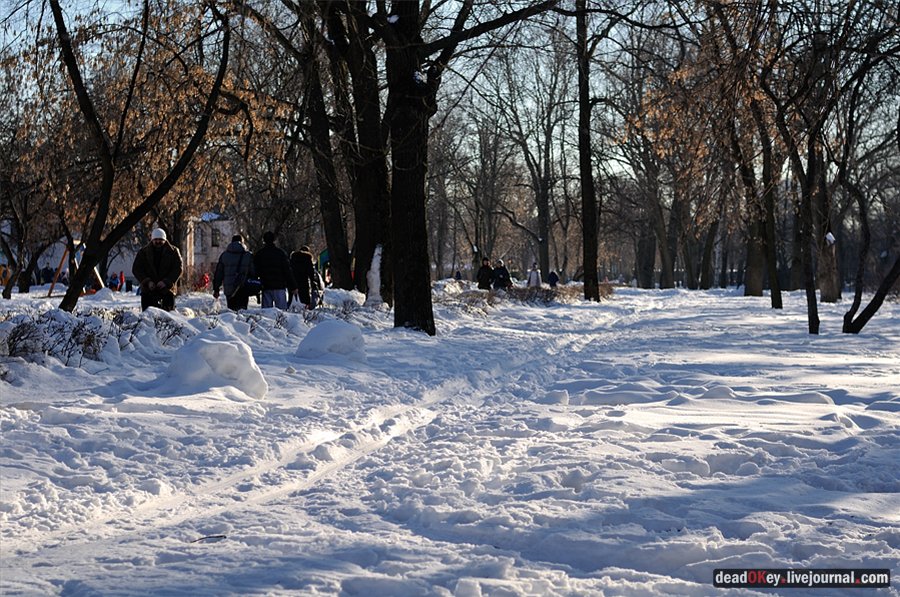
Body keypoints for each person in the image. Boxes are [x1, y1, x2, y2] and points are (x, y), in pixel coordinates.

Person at [132, 228, 183, 311]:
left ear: (165, 240)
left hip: (167, 289)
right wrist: (147, 282)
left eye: (161, 240)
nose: (158, 242)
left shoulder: (173, 251)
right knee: (147, 315)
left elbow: (178, 268)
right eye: (156, 240)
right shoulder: (143, 252)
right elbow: (136, 269)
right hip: (148, 290)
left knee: (169, 315)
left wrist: (166, 282)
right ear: (152, 240)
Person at [213, 234, 256, 311]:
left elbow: (219, 274)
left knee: (231, 314)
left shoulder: (224, 256)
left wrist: (216, 289)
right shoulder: (248, 256)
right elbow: (253, 272)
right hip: (243, 288)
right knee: (242, 312)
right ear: (242, 243)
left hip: (229, 290)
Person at [254, 231, 295, 309]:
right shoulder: (280, 253)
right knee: (282, 312)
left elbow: (256, 271)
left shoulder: (260, 254)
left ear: (264, 240)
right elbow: (287, 270)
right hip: (279, 285)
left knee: (266, 313)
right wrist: (293, 286)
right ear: (274, 240)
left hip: (266, 286)